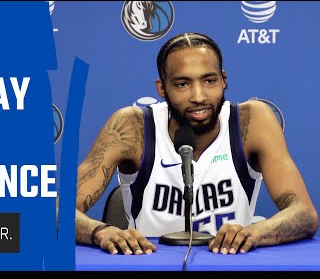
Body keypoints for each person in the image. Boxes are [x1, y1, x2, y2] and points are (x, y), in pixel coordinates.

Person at [75, 32, 318, 255]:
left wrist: (255, 231)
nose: (199, 96)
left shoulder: (252, 121)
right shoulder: (131, 127)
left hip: (230, 263)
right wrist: (101, 232)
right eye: (182, 84)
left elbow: (305, 213)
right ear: (162, 88)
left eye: (209, 80)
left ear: (224, 80)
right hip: (148, 262)